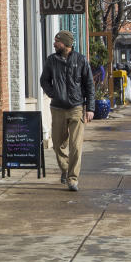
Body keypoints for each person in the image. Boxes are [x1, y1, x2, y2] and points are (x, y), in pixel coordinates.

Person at [39, 30, 94, 191]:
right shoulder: (51, 60)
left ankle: (72, 178)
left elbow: (89, 85)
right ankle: (65, 169)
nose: (55, 44)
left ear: (66, 44)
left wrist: (90, 108)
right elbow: (44, 80)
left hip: (76, 108)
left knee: (76, 146)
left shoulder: (81, 60)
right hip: (57, 109)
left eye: (57, 42)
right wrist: (53, 93)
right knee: (58, 144)